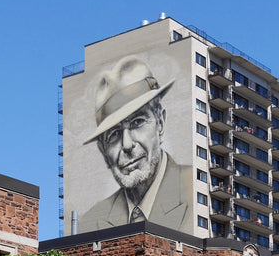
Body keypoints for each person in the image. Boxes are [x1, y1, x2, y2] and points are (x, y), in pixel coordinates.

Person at [79, 55, 193, 233]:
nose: (127, 145)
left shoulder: (195, 191)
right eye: (114, 134)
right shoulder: (90, 222)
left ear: (160, 123)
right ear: (103, 151)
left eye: (137, 122)